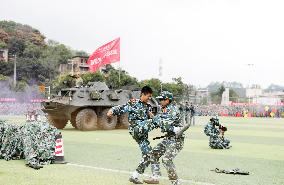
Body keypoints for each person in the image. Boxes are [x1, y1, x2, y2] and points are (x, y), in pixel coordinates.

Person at [107, 86, 157, 184]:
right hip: (136, 129)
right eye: (148, 96)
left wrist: (154, 118)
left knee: (148, 155)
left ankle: (134, 176)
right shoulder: (133, 103)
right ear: (143, 94)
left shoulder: (148, 106)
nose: (149, 98)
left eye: (151, 97)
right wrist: (112, 111)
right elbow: (121, 107)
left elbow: (151, 116)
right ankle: (173, 129)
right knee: (154, 122)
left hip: (143, 134)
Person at [143, 91, 186, 185]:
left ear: (168, 100)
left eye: (162, 99)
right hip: (169, 138)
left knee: (166, 159)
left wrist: (153, 117)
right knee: (153, 154)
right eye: (159, 99)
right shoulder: (164, 109)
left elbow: (164, 124)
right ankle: (155, 178)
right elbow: (158, 121)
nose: (160, 101)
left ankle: (176, 182)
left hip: (177, 140)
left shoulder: (173, 110)